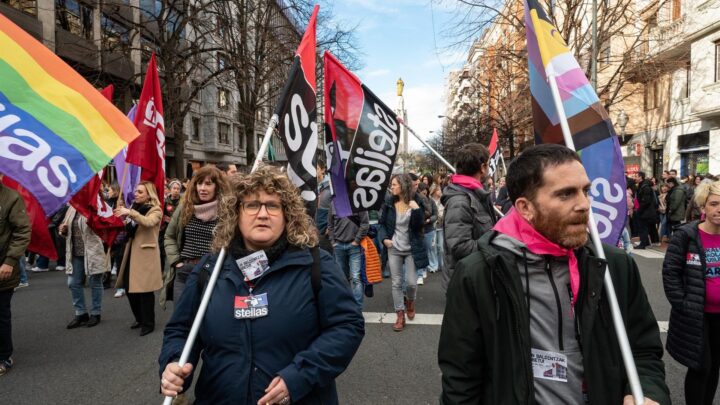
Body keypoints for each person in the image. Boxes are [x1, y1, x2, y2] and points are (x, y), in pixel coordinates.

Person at [438, 144, 669, 404]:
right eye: (565, 194)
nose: (584, 204)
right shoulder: (478, 275)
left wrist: (647, 392)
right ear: (525, 207)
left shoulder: (612, 265)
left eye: (586, 191)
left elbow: (644, 350)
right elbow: (461, 379)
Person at [158, 166, 364, 404]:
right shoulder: (210, 269)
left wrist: (300, 376)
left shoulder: (315, 264)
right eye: (252, 205)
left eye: (273, 205)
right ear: (237, 213)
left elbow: (347, 326)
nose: (263, 214)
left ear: (288, 214)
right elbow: (181, 330)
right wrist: (174, 362)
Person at [663, 180, 720, 405]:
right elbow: (671, 273)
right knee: (700, 365)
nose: (719, 209)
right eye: (714, 204)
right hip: (696, 314)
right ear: (702, 207)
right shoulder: (686, 235)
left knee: (714, 365)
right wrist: (683, 304)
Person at [161, 166, 228, 309]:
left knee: (207, 322)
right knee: (181, 320)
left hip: (213, 273)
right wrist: (177, 262)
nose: (202, 188)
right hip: (185, 271)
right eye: (199, 183)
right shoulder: (185, 207)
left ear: (218, 186)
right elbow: (169, 236)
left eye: (208, 184)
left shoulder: (227, 211)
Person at [441, 142, 498, 291]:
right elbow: (460, 247)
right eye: (488, 165)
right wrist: (497, 243)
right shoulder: (460, 201)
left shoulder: (475, 194)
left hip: (477, 279)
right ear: (482, 168)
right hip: (467, 285)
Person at [378, 174, 428, 332]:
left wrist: (417, 210)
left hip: (411, 249)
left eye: (394, 184)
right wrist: (384, 239)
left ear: (403, 186)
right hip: (394, 248)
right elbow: (382, 224)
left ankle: (410, 302)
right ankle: (400, 314)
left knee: (412, 282)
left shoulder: (416, 200)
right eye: (391, 185)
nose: (391, 187)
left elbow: (420, 225)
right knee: (396, 283)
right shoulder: (389, 202)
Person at [114, 181, 163, 336]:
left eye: (140, 192)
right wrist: (123, 219)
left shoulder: (155, 209)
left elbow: (148, 222)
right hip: (130, 252)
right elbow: (131, 229)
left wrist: (130, 213)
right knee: (129, 288)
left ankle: (148, 323)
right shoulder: (134, 208)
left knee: (145, 291)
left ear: (149, 194)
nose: (136, 194)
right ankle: (139, 318)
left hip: (145, 254)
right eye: (136, 191)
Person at [0, 176, 31, 376]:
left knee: (1, 315)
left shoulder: (11, 198)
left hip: (3, 268)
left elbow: (22, 231)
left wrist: (9, 261)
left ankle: (4, 356)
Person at [58, 206, 107, 328]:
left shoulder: (96, 205)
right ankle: (81, 313)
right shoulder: (72, 208)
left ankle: (96, 313)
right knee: (73, 283)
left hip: (92, 252)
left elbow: (105, 228)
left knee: (94, 282)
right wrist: (63, 230)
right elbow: (66, 229)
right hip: (75, 253)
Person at [327, 203, 369, 307]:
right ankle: (346, 306)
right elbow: (330, 225)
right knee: (342, 278)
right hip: (339, 246)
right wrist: (333, 242)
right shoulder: (333, 203)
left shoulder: (358, 202)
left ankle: (357, 308)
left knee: (356, 277)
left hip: (354, 245)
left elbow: (365, 223)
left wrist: (357, 240)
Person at [419, 182, 439, 282]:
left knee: (428, 249)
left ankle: (426, 268)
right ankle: (421, 270)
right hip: (419, 229)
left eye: (425, 191)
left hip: (429, 229)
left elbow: (436, 214)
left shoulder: (431, 201)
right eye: (422, 192)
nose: (424, 193)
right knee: (421, 250)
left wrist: (429, 220)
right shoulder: (415, 201)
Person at [635, 171, 659, 249]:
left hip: (646, 211)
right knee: (645, 227)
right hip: (646, 211)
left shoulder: (645, 187)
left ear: (641, 177)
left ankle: (643, 243)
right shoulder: (642, 186)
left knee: (643, 228)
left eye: (636, 176)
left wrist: (639, 210)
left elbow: (646, 201)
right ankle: (646, 242)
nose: (635, 178)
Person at [430, 184, 445, 274]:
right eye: (438, 190)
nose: (440, 192)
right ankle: (433, 265)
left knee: (442, 247)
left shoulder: (443, 201)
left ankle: (442, 264)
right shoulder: (430, 201)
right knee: (433, 247)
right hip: (432, 226)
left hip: (441, 226)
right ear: (434, 191)